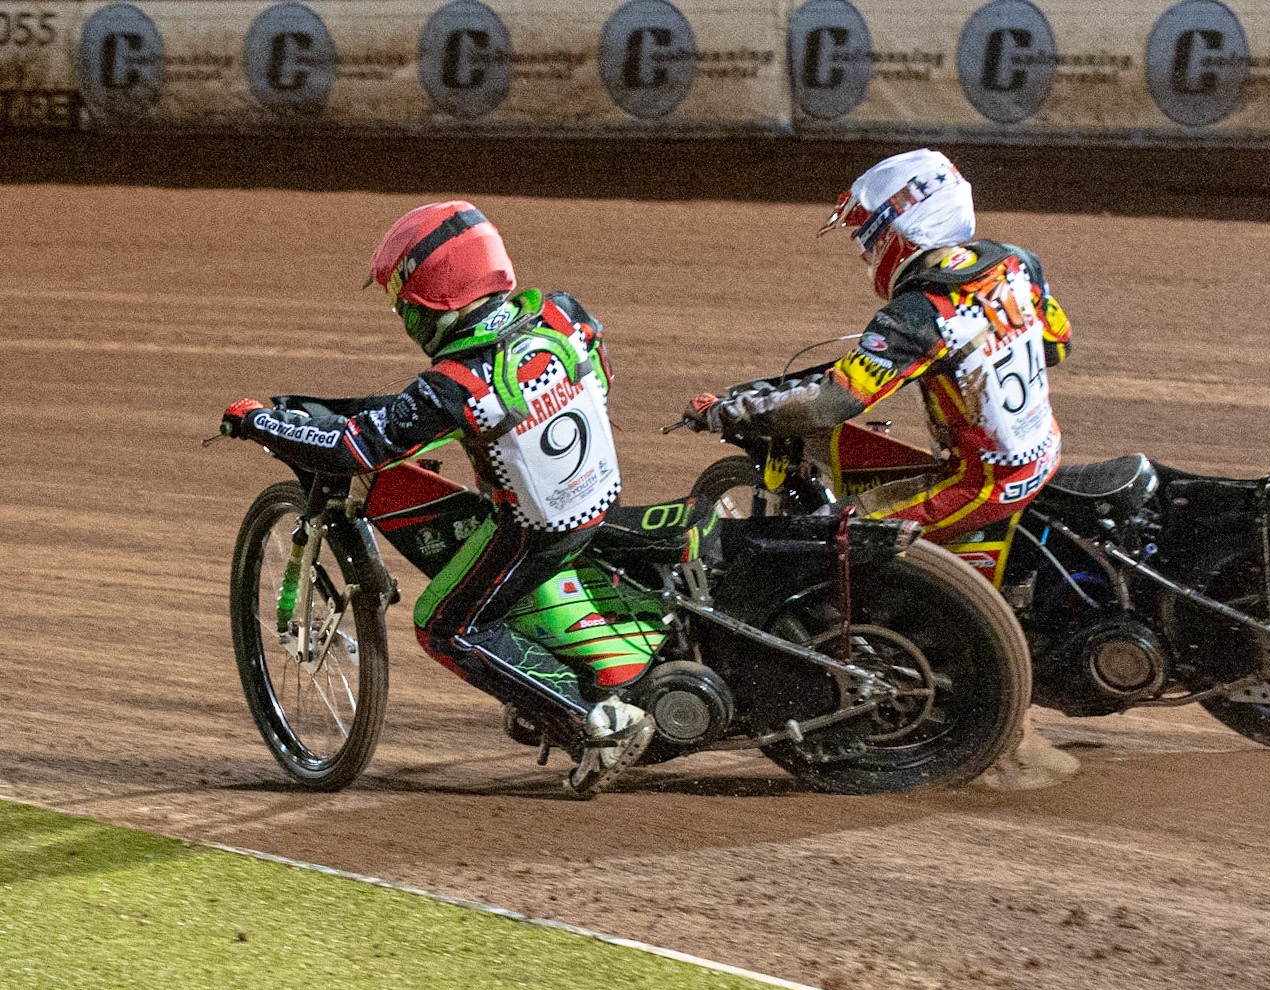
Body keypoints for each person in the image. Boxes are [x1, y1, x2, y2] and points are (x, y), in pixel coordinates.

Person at [222, 200, 653, 798]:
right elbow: (594, 372)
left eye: (403, 302)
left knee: (442, 625)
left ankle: (595, 725)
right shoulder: (560, 313)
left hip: (536, 529)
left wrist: (258, 423)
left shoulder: (455, 384)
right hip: (599, 490)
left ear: (430, 298)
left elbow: (357, 450)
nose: (403, 315)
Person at [683, 148, 1071, 543]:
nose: (866, 252)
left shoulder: (918, 313)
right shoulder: (1016, 263)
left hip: (983, 486)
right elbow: (1058, 344)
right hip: (1045, 452)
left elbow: (828, 403)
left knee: (824, 538)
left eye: (869, 237)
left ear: (900, 231)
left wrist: (728, 413)